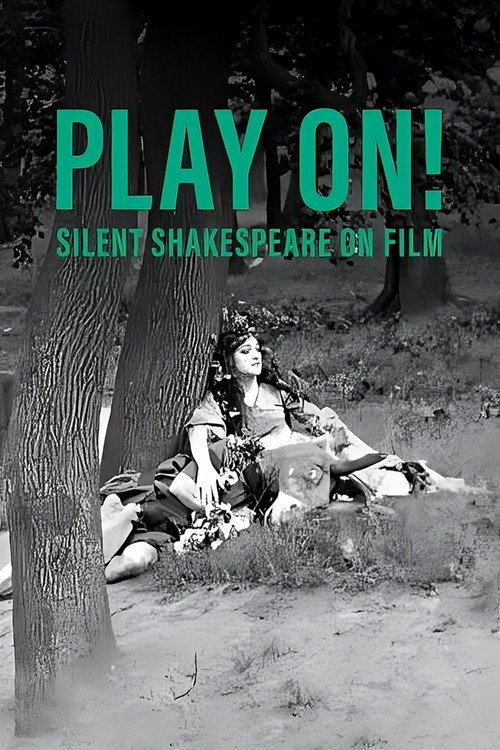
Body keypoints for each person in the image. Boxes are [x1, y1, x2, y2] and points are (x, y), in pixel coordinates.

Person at [166, 329, 388, 522]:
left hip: (297, 453)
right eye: (245, 351)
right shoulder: (221, 397)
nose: (255, 355)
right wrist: (205, 467)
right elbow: (199, 429)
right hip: (261, 469)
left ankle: (366, 489)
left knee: (342, 462)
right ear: (230, 362)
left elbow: (317, 419)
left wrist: (337, 437)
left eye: (257, 349)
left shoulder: (276, 391)